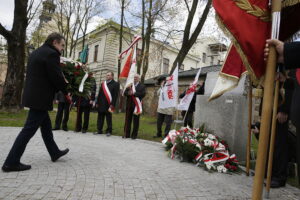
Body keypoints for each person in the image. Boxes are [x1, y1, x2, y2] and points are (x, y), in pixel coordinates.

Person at [2, 33, 69, 172]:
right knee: (28, 130)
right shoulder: (51, 54)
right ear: (55, 42)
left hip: (33, 96)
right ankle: (11, 162)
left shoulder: (37, 52)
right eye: (62, 45)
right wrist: (66, 89)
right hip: (40, 98)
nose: (62, 49)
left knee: (46, 127)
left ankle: (54, 152)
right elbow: (55, 77)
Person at [265, 39, 300, 184]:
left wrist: (284, 110)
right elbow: (293, 83)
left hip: (282, 111)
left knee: (280, 145)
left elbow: (289, 91)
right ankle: (271, 172)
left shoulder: (292, 65)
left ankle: (279, 175)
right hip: (277, 111)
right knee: (272, 144)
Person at [95, 72, 120, 136]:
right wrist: (97, 102)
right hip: (101, 103)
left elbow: (115, 95)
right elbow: (100, 93)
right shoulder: (103, 84)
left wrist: (112, 104)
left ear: (112, 76)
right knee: (100, 117)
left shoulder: (116, 84)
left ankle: (109, 131)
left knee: (108, 118)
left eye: (108, 75)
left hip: (109, 104)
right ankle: (99, 130)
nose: (107, 76)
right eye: (106, 75)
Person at [124, 74, 146, 139]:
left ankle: (134, 135)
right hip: (129, 105)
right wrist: (128, 93)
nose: (135, 78)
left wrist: (134, 93)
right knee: (128, 120)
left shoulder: (142, 86)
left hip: (137, 106)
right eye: (134, 77)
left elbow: (143, 94)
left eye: (136, 77)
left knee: (136, 121)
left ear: (139, 78)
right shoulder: (129, 85)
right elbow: (125, 93)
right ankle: (126, 134)